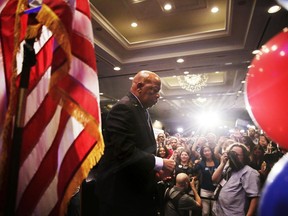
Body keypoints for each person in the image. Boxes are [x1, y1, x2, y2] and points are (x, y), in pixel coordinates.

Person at [96, 70, 175, 216]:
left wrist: (153, 171)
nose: (158, 95)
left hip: (135, 189)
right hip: (121, 194)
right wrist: (160, 163)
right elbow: (125, 151)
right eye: (155, 90)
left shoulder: (141, 110)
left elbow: (144, 148)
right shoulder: (123, 108)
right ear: (139, 87)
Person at [212, 143, 260, 216]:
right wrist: (222, 163)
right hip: (219, 211)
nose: (233, 157)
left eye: (237, 155)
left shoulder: (249, 172)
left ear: (244, 157)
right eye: (232, 154)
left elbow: (255, 198)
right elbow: (214, 179)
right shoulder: (228, 168)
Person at [194, 145, 219, 216]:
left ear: (211, 152)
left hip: (216, 190)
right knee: (205, 212)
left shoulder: (217, 162)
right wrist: (195, 163)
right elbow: (194, 170)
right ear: (203, 153)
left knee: (215, 212)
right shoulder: (201, 163)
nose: (207, 153)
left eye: (208, 151)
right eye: (205, 151)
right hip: (205, 190)